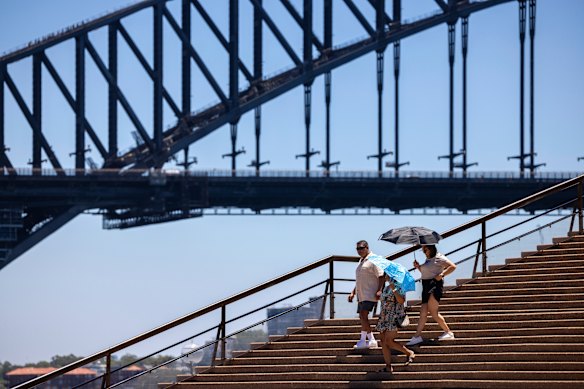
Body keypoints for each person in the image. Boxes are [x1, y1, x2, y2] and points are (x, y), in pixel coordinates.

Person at [406, 244, 457, 346]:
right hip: (425, 286)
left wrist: (442, 274)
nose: (424, 252)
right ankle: (417, 337)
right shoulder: (428, 259)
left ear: (430, 248)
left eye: (425, 250)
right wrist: (418, 267)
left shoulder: (439, 257)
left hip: (434, 285)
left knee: (433, 312)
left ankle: (449, 332)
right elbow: (426, 272)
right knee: (423, 313)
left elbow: (453, 266)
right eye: (423, 250)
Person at [348, 240, 385, 349]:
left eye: (361, 248)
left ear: (367, 247)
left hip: (370, 293)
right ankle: (363, 340)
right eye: (357, 249)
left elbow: (381, 276)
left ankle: (372, 340)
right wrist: (353, 292)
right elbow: (360, 279)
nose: (359, 251)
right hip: (361, 294)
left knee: (364, 315)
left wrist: (379, 290)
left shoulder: (374, 259)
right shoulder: (361, 261)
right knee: (362, 316)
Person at [376, 275, 415, 373]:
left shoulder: (399, 287)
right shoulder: (386, 287)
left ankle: (409, 352)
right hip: (384, 317)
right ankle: (388, 366)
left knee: (389, 341)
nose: (385, 276)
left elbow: (401, 301)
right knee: (383, 341)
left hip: (393, 317)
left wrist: (394, 289)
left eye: (387, 274)